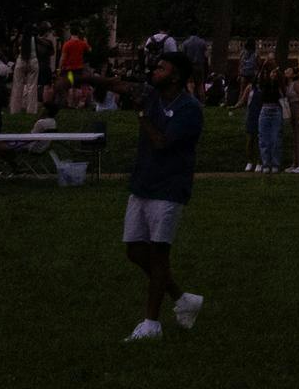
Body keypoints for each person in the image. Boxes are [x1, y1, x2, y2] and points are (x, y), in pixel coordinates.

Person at [79, 51, 205, 342]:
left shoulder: (189, 109)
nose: (154, 71)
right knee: (135, 250)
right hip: (143, 184)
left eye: (161, 68)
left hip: (169, 188)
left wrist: (140, 114)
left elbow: (161, 143)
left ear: (175, 76)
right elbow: (118, 85)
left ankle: (151, 324)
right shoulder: (150, 94)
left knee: (159, 254)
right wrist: (83, 77)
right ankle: (182, 298)